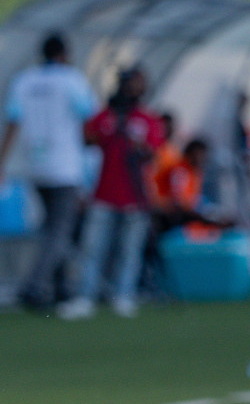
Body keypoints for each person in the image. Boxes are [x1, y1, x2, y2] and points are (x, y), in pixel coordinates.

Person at [0, 34, 97, 310]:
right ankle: (34, 285)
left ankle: (62, 289)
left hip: (34, 164)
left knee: (51, 228)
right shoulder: (71, 80)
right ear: (64, 54)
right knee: (60, 231)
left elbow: (12, 123)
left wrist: (2, 162)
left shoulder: (24, 80)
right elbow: (90, 119)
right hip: (64, 166)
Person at [59, 66, 164, 319]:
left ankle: (123, 295)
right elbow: (87, 138)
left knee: (129, 250)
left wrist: (135, 143)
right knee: (93, 247)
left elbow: (152, 154)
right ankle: (85, 296)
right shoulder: (107, 115)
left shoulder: (147, 120)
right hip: (104, 194)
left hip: (135, 196)